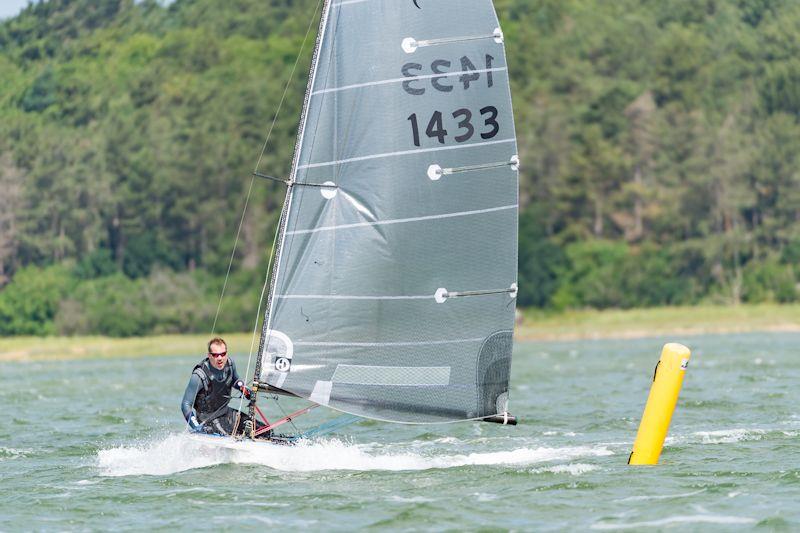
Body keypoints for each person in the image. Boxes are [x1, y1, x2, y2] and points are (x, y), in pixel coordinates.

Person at [181, 337, 254, 436]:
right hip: (208, 420)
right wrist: (196, 427)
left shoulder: (230, 365)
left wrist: (243, 388)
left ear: (226, 354)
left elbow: (235, 380)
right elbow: (186, 404)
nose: (220, 358)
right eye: (215, 355)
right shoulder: (199, 375)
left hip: (226, 413)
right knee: (230, 437)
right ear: (209, 355)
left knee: (262, 430)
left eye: (223, 354)